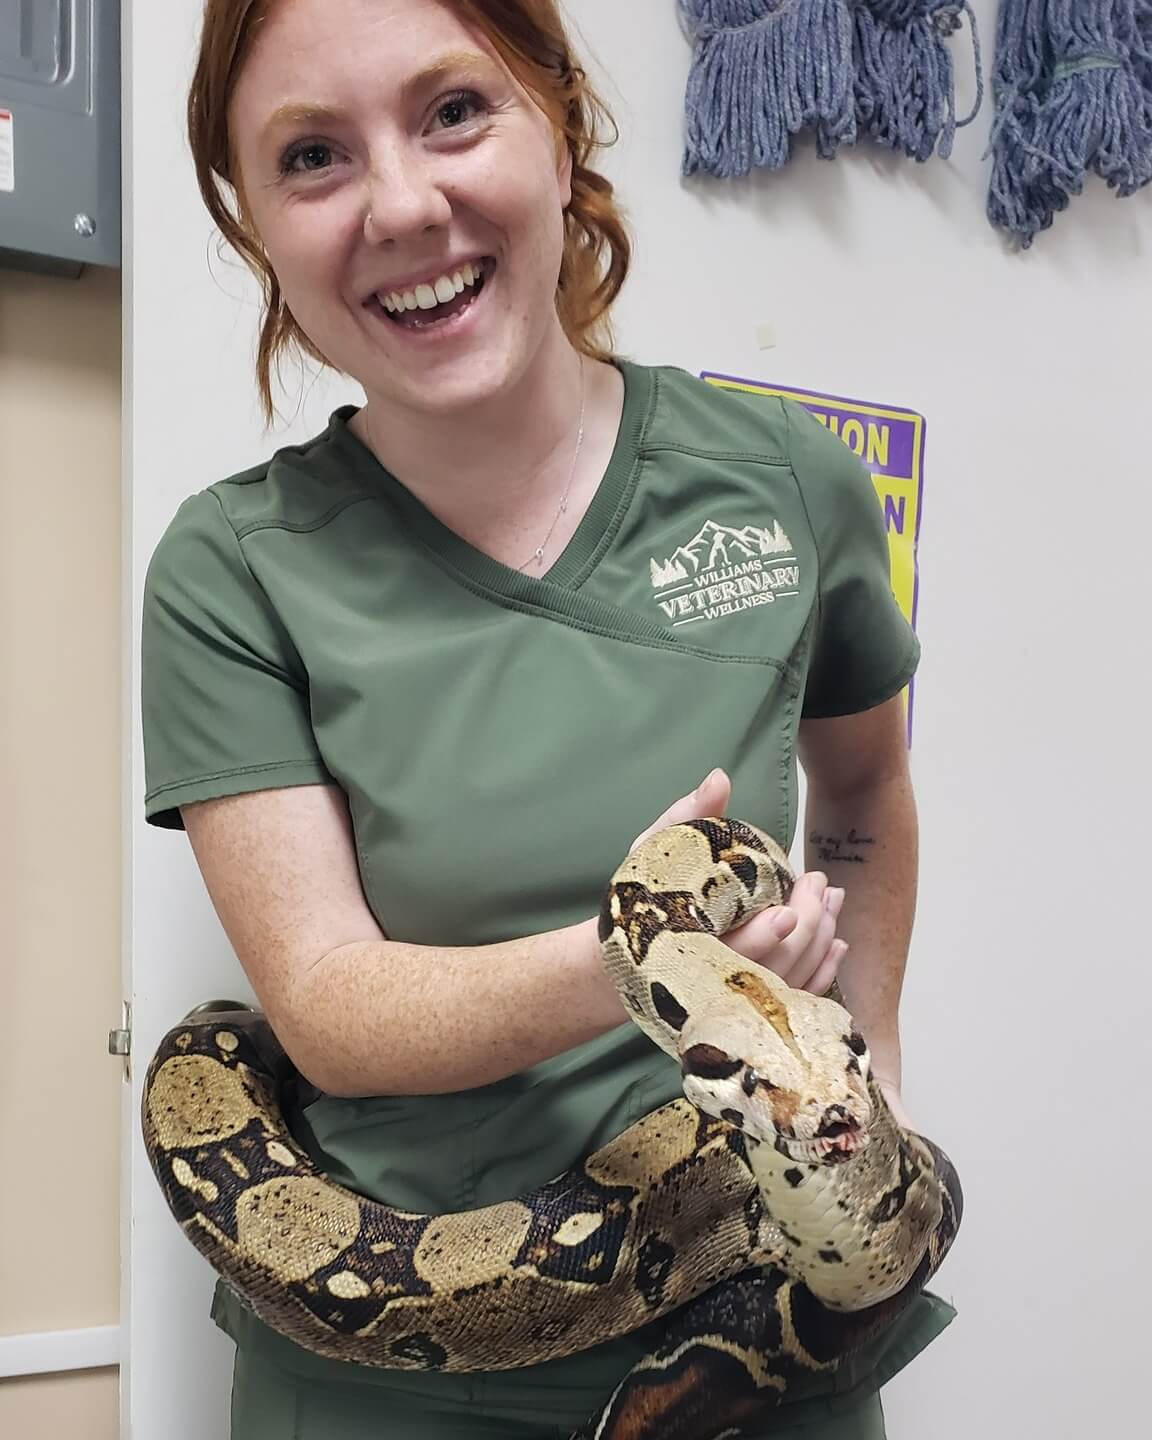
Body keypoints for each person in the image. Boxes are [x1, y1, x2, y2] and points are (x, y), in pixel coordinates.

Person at [141, 1, 956, 1436]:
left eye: (454, 110)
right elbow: (323, 1009)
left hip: (766, 1335)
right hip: (377, 1385)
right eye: (314, 155)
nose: (405, 204)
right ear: (251, 218)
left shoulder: (793, 484)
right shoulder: (228, 569)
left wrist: (857, 1065)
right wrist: (657, 956)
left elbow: (868, 801)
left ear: (559, 120)